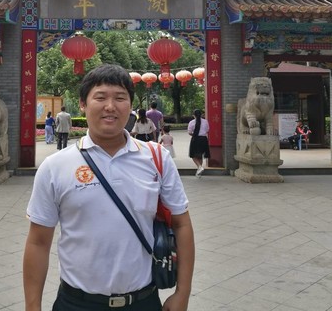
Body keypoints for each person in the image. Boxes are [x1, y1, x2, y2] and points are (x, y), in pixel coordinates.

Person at [23, 64, 195, 311]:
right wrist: (32, 307)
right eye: (100, 97)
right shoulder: (55, 166)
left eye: (120, 98)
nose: (110, 106)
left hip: (143, 302)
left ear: (131, 105)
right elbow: (38, 242)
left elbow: (182, 224)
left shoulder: (157, 158)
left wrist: (183, 294)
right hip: (76, 304)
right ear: (82, 104)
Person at [188, 109, 210, 177]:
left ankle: (200, 167)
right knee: (200, 155)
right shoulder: (205, 121)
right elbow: (207, 130)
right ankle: (199, 172)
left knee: (193, 155)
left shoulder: (192, 122)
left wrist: (194, 134)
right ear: (201, 115)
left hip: (195, 139)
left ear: (193, 115)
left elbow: (189, 132)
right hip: (203, 139)